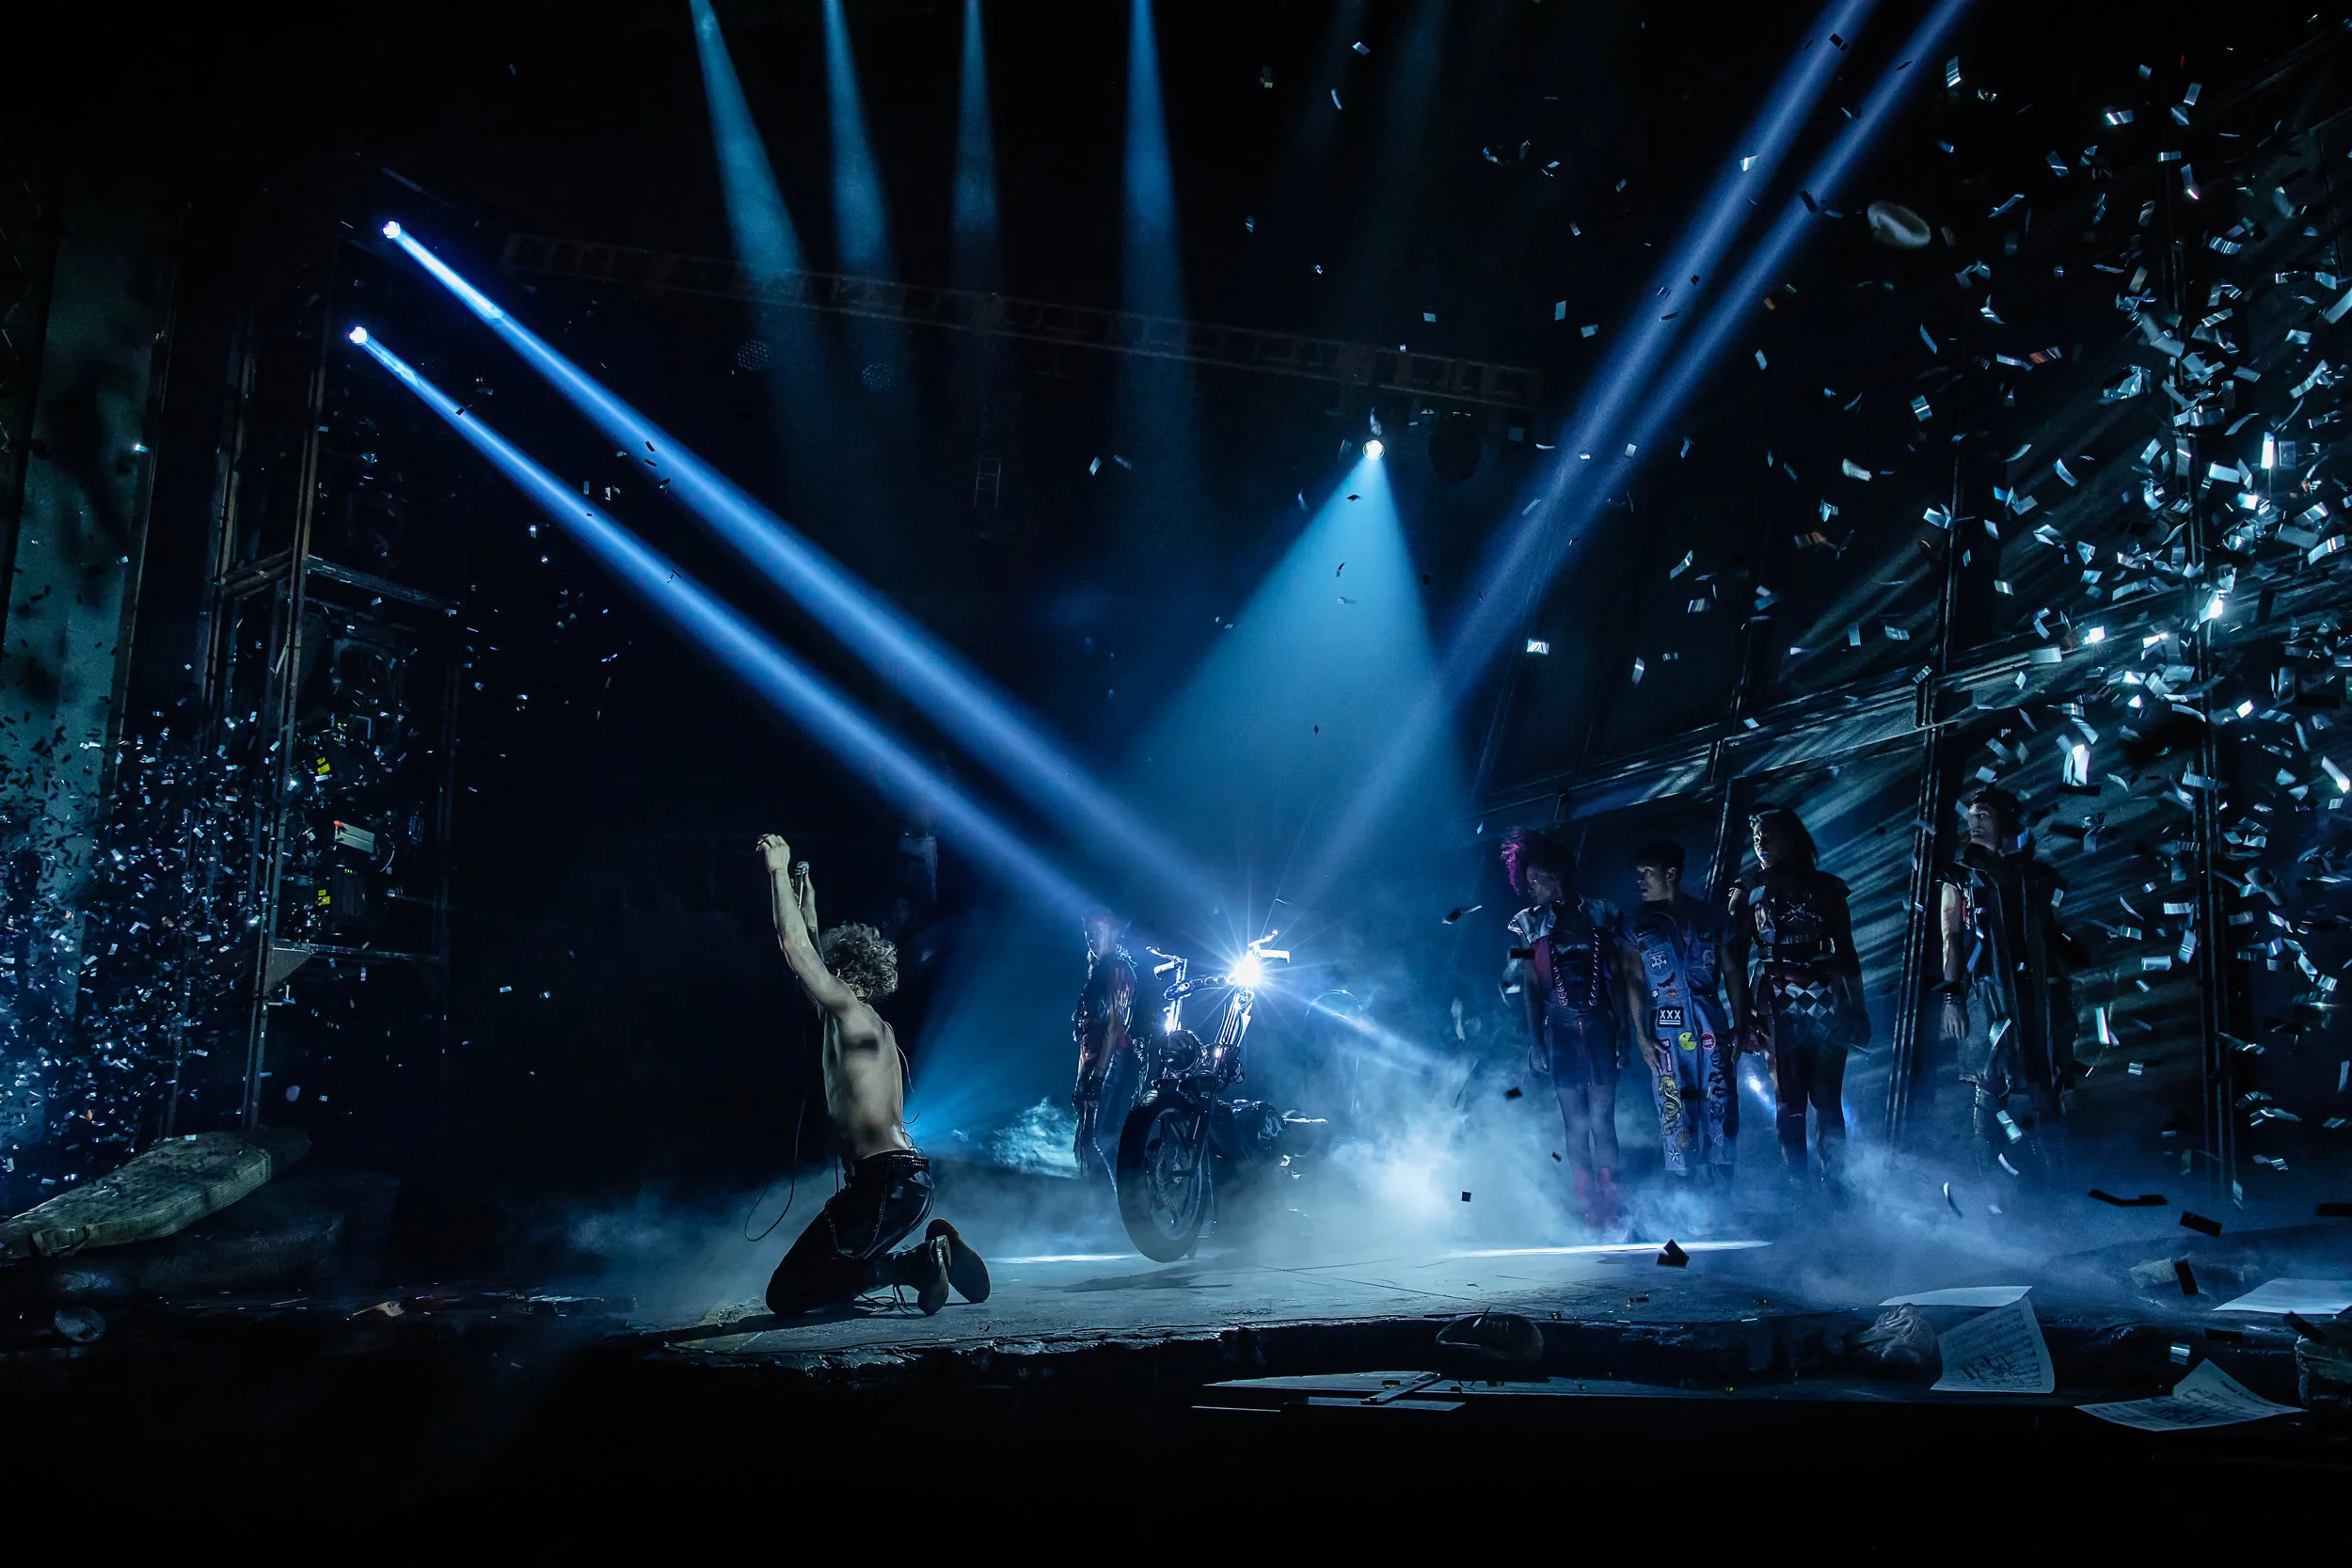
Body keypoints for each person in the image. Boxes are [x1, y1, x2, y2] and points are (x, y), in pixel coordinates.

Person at [755, 833, 988, 1317]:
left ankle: (915, 1263)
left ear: (840, 973)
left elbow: (796, 950)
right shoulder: (871, 1024)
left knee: (788, 1293)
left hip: (883, 1187)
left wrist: (777, 872)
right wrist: (805, 899)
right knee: (828, 1277)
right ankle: (929, 1255)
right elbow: (809, 950)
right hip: (906, 1183)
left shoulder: (846, 1013)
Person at [1937, 784, 2079, 1181]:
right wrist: (1952, 998)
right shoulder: (1960, 878)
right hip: (1988, 994)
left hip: (2037, 993)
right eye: (1971, 816)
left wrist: (2066, 993)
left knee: (2045, 1086)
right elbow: (1951, 939)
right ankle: (1987, 1185)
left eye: (1984, 815)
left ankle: (2058, 1182)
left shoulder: (2037, 877)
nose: (1975, 823)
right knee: (1989, 1087)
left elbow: (2055, 934)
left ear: (2004, 821)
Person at [1729, 808, 1868, 1185]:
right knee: (1789, 1101)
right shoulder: (1750, 891)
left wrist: (1858, 1008)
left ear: (1792, 838)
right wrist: (1742, 1020)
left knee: (1827, 1096)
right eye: (1756, 837)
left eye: (1768, 835)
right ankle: (1798, 1189)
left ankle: (1836, 1182)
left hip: (1827, 998)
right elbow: (1733, 955)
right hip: (1775, 1002)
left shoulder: (1826, 887)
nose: (1760, 843)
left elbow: (1847, 950)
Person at [1502, 828, 1627, 1227]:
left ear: (1555, 876)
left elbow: (1619, 976)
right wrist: (1535, 1041)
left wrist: (1625, 1028)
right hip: (1559, 1031)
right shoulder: (1527, 924)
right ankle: (1587, 1203)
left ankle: (1613, 1202)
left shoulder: (1602, 913)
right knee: (1576, 1122)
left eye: (1535, 880)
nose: (1530, 889)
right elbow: (1529, 985)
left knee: (1603, 1119)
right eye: (1528, 882)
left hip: (1600, 1025)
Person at [1618, 838, 1743, 1187]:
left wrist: (1741, 1022)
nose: (1640, 880)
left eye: (1647, 872)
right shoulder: (1635, 925)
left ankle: (1723, 1196)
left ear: (1670, 874)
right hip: (1665, 1029)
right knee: (1673, 1107)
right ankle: (1687, 1198)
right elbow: (1633, 979)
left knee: (1722, 1103)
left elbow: (1733, 971)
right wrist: (1642, 1036)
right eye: (1638, 873)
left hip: (1710, 1022)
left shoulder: (1713, 916)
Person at [1071, 911, 1137, 1189]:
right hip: (1096, 1062)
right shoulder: (1098, 972)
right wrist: (1082, 1080)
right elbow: (1086, 1037)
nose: (1092, 938)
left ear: (1115, 934)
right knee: (1089, 1139)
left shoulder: (1117, 970)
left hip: (1112, 1061)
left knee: (1097, 1139)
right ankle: (1100, 1203)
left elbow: (1114, 1028)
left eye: (1098, 932)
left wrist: (1098, 1078)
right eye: (1089, 932)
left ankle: (1118, 1203)